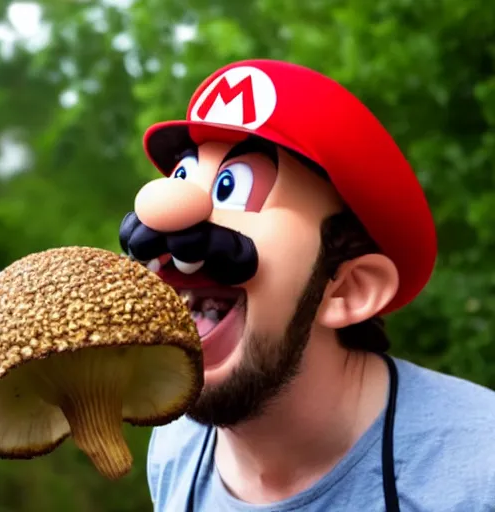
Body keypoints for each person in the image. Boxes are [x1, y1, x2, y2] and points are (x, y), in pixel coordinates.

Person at [119, 60, 495, 511]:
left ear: (348, 289)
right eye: (182, 177)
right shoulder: (175, 444)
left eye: (229, 188)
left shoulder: (480, 473)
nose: (163, 211)